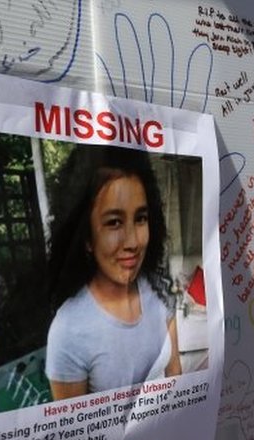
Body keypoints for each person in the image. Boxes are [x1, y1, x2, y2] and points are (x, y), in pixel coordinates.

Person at [45, 145, 181, 399]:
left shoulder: (159, 288)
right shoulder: (68, 331)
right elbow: (76, 436)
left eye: (140, 218)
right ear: (86, 236)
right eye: (114, 222)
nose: (132, 242)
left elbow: (176, 382)